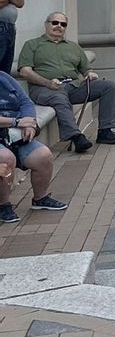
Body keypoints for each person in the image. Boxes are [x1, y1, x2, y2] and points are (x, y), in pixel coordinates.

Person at [17, 11, 115, 153]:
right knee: (59, 97)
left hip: (73, 86)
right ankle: (76, 137)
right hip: (43, 88)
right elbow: (25, 71)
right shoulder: (32, 45)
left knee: (108, 86)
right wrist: (48, 83)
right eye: (55, 23)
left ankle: (105, 131)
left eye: (63, 24)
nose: (59, 26)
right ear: (46, 25)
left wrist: (90, 74)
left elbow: (86, 69)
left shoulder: (73, 46)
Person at [0, 70, 64, 224]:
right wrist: (16, 122)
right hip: (9, 129)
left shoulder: (4, 77)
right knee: (5, 159)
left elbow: (26, 102)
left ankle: (40, 198)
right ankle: (3, 205)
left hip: (16, 134)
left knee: (43, 155)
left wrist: (30, 122)